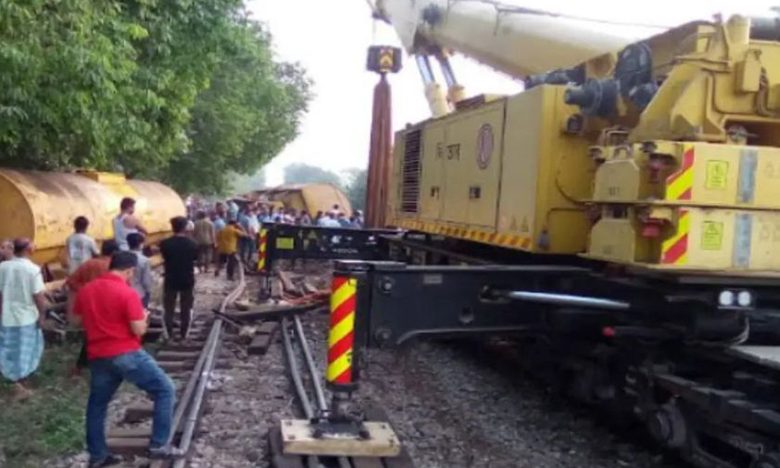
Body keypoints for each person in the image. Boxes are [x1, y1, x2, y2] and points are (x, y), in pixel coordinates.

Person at [71, 251, 182, 466]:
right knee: (165, 389)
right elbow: (138, 329)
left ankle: (98, 456)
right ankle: (159, 445)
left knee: (97, 405)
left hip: (98, 356)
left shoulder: (87, 290)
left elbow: (75, 320)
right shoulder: (127, 292)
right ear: (130, 271)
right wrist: (145, 318)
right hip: (125, 353)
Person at [0, 238, 48, 400]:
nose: (35, 246)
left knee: (7, 347)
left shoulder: (3, 267)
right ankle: (21, 383)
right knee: (25, 350)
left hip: (7, 315)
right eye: (32, 245)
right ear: (27, 250)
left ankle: (10, 377)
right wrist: (42, 315)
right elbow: (38, 296)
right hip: (26, 317)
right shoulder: (33, 270)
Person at [66, 240, 120, 375]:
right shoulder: (115, 268)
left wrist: (85, 290)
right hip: (109, 306)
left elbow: (71, 281)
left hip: (90, 305)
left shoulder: (89, 264)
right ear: (115, 252)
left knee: (91, 334)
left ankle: (81, 366)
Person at [159, 217, 198, 341]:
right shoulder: (193, 244)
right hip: (187, 278)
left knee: (169, 307)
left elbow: (165, 258)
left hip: (170, 278)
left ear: (172, 227)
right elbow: (195, 259)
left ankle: (169, 334)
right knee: (186, 307)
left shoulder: (165, 244)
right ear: (185, 227)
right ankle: (184, 334)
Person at [127, 233, 152, 308]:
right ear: (141, 244)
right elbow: (146, 281)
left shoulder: (121, 256)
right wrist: (148, 291)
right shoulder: (144, 260)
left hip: (123, 291)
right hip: (139, 293)